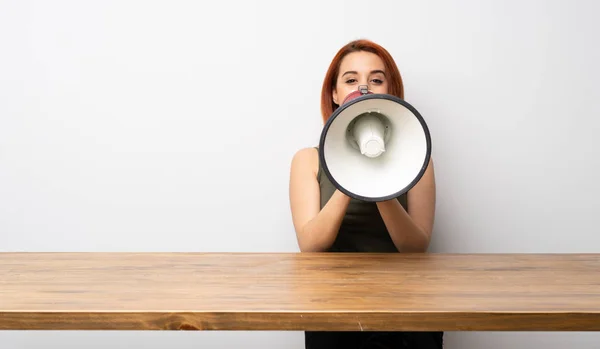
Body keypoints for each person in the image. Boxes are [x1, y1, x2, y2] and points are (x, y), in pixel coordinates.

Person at [288, 39, 443, 349]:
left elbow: (415, 249)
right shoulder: (308, 160)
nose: (364, 88)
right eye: (350, 80)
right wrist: (348, 171)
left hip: (407, 303)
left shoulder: (419, 163)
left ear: (391, 91)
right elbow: (311, 246)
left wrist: (382, 178)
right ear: (334, 94)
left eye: (376, 79)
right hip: (333, 307)